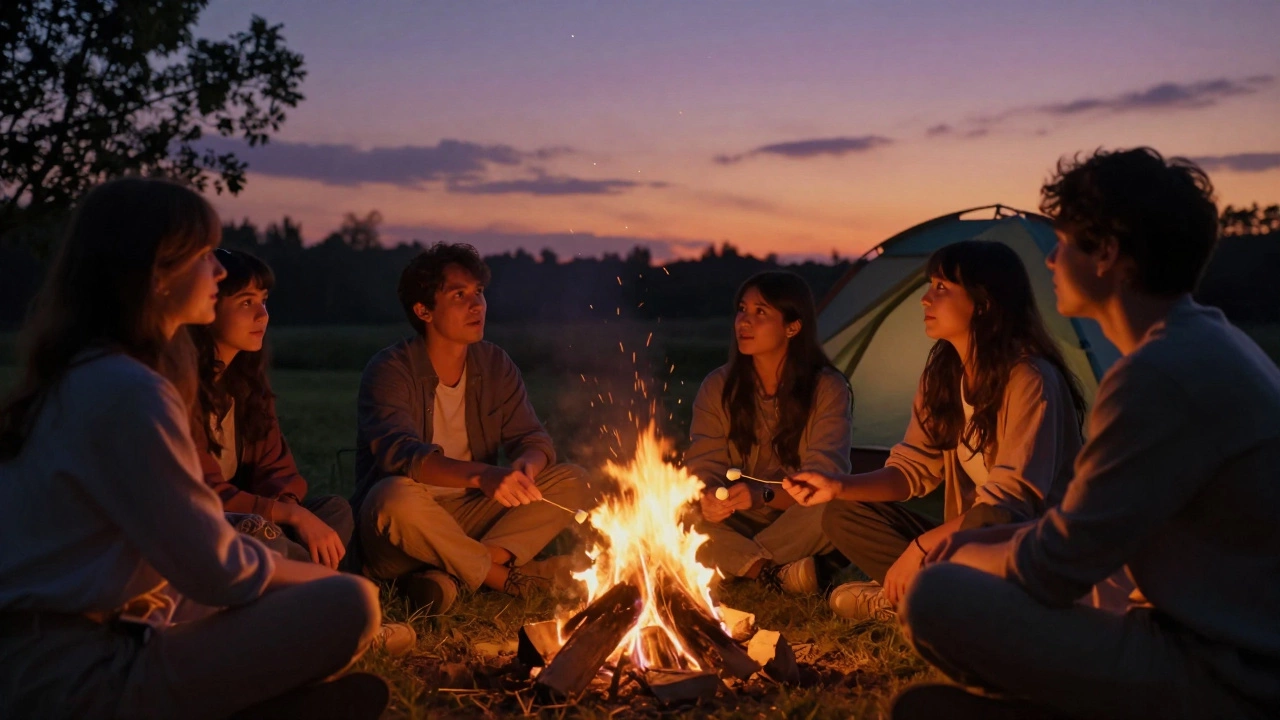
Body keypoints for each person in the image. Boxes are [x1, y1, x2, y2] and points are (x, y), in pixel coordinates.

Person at [891, 148, 1280, 719]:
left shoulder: (1158, 373)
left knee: (936, 598)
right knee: (926, 705)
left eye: (1066, 242)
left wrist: (962, 548)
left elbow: (1057, 568)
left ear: (1109, 255)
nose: (1051, 261)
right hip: (1220, 644)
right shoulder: (1208, 343)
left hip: (1227, 674)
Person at [0, 177, 386, 719]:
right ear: (156, 273)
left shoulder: (84, 374)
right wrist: (327, 579)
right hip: (78, 673)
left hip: (66, 643)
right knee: (352, 603)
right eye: (206, 255)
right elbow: (218, 569)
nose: (220, 271)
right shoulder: (128, 390)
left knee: (296, 577)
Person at [785, 240, 1085, 621]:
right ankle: (930, 598)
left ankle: (925, 601)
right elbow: (912, 470)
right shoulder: (943, 374)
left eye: (942, 287)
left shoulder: (1030, 378)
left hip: (1032, 547)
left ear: (985, 303)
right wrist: (837, 485)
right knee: (843, 514)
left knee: (987, 517)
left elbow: (1009, 505)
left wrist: (921, 548)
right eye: (930, 286)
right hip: (972, 543)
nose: (926, 299)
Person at [350, 242, 589, 614]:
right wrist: (483, 476)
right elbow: (400, 453)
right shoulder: (390, 370)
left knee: (573, 478)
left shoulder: (494, 363)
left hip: (472, 517)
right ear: (424, 310)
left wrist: (528, 463)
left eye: (478, 292)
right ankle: (504, 577)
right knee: (390, 497)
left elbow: (533, 438)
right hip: (404, 528)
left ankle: (451, 576)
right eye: (459, 295)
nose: (476, 305)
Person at [686, 271, 853, 593]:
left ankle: (740, 567)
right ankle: (775, 573)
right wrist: (708, 494)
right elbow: (704, 461)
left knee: (841, 507)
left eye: (760, 312)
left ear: (792, 326)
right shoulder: (718, 387)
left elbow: (824, 473)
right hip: (733, 521)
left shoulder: (827, 387)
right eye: (742, 310)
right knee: (675, 510)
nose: (744, 322)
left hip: (796, 519)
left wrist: (762, 497)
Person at [190, 248, 353, 568]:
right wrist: (289, 515)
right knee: (263, 536)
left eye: (263, 300)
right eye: (247, 302)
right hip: (204, 523)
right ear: (208, 307)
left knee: (334, 511)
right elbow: (202, 490)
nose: (263, 314)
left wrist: (289, 510)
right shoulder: (182, 387)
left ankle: (288, 572)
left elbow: (276, 469)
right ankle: (308, 579)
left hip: (255, 522)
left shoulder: (247, 388)